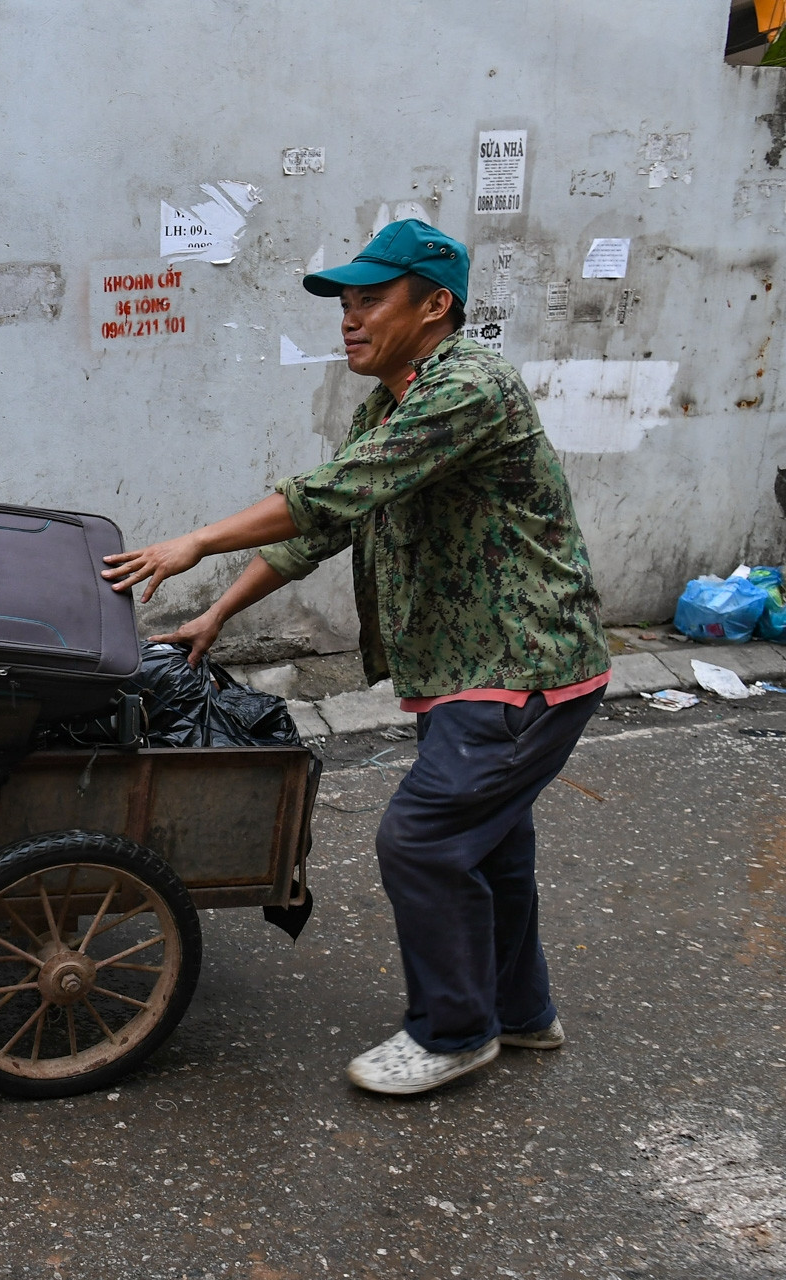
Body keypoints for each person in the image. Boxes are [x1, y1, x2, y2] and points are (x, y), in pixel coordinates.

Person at [101, 221, 610, 1096]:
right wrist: (217, 612)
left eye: (371, 300)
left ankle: (453, 1032)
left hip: (521, 668)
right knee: (488, 850)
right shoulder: (396, 400)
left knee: (421, 840)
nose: (350, 318)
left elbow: (328, 492)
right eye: (345, 303)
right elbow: (334, 521)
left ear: (435, 304)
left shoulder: (468, 389)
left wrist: (194, 541)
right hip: (470, 672)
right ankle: (521, 1014)